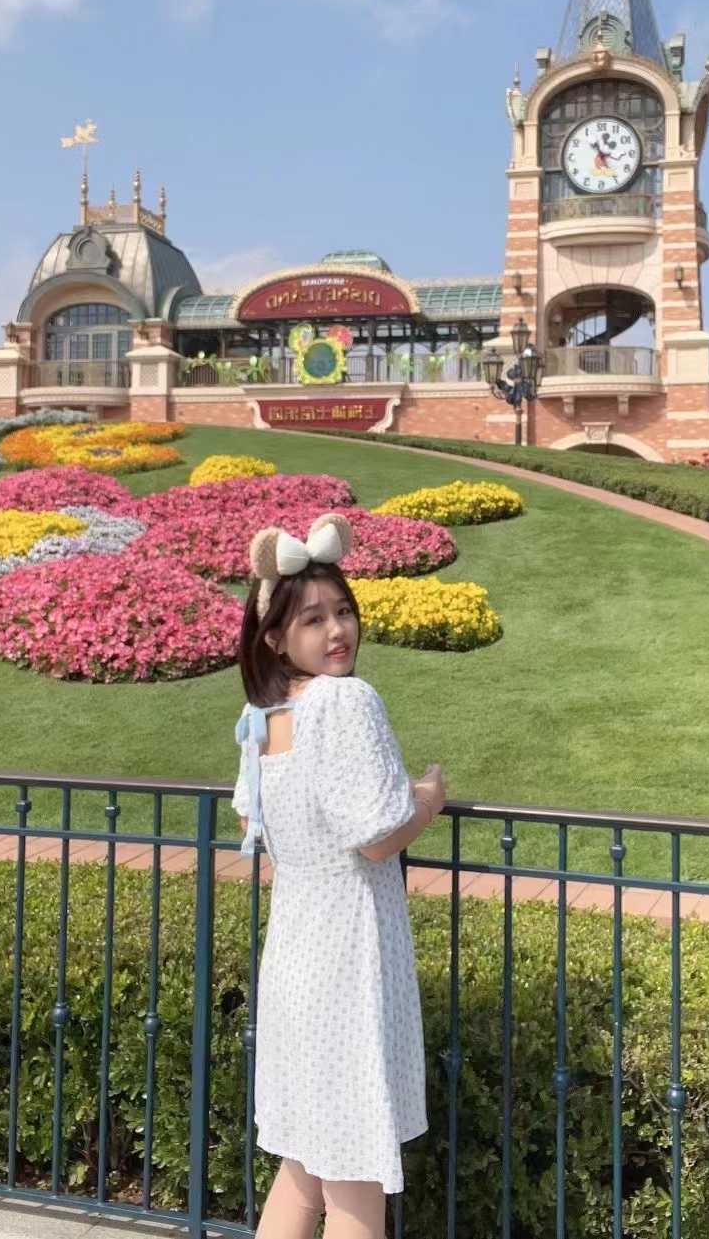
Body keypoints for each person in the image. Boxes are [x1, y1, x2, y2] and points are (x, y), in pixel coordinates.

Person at [232, 510, 446, 1239]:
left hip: (293, 957)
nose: (337, 631)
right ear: (275, 637)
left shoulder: (264, 717)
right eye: (314, 618)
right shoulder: (344, 700)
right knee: (354, 1183)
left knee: (302, 1173)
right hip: (349, 962)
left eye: (343, 612)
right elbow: (379, 838)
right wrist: (427, 799)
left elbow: (252, 819)